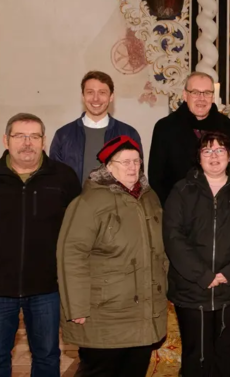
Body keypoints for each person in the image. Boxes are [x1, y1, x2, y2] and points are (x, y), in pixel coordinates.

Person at [0, 113, 81, 377]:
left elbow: (78, 236)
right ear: (5, 140)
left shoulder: (63, 178)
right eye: (20, 136)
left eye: (34, 136)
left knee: (47, 358)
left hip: (47, 288)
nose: (27, 143)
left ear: (44, 141)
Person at [57, 135, 168, 377]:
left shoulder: (150, 198)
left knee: (134, 370)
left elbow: (161, 250)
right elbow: (71, 256)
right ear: (108, 167)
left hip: (142, 310)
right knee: (100, 371)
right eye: (124, 162)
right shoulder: (88, 203)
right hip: (104, 311)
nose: (132, 167)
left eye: (137, 162)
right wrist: (76, 307)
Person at [163, 131, 230, 377]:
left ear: (229, 156)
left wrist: (229, 272)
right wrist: (204, 275)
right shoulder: (182, 191)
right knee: (197, 357)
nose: (214, 156)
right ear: (199, 157)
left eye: (220, 150)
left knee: (229, 356)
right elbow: (173, 237)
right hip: (192, 289)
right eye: (207, 151)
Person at [149, 72, 230, 205]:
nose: (201, 98)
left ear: (213, 96)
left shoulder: (228, 127)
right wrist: (172, 209)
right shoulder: (165, 128)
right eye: (195, 92)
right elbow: (156, 177)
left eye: (207, 93)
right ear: (185, 95)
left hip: (220, 208)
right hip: (179, 208)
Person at [50, 71, 142, 183]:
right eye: (90, 92)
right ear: (83, 96)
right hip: (74, 200)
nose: (95, 99)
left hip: (116, 201)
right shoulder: (63, 135)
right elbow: (54, 180)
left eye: (102, 92)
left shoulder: (128, 134)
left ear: (111, 97)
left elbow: (136, 178)